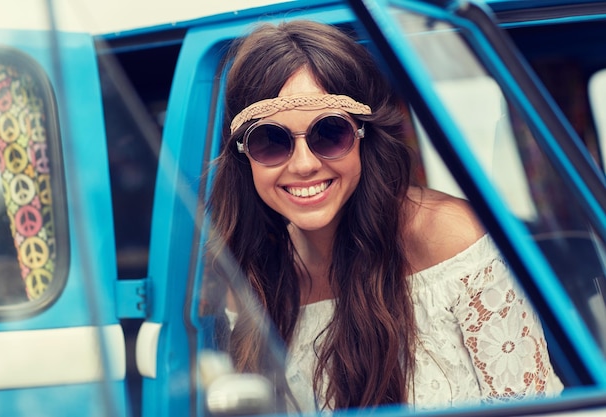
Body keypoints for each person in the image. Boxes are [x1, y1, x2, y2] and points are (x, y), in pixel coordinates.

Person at [205, 20, 563, 413]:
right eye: (271, 141)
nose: (304, 165)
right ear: (243, 155)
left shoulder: (449, 236)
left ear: (364, 137)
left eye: (329, 133)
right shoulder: (248, 278)